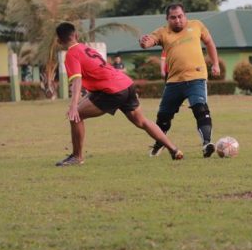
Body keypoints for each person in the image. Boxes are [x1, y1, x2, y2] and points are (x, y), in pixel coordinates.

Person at [54, 22, 183, 165]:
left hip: (112, 91)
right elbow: (97, 82)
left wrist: (73, 107)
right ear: (76, 35)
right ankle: (174, 149)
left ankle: (77, 157)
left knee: (75, 117)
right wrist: (78, 104)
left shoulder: (71, 54)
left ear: (59, 41)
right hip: (126, 84)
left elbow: (77, 81)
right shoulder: (86, 49)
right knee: (142, 121)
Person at [139, 3, 221, 158]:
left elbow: (209, 42)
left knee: (200, 108)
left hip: (196, 77)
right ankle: (160, 142)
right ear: (167, 19)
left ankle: (207, 144)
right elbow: (149, 41)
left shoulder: (196, 25)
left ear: (185, 15)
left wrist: (215, 63)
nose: (177, 20)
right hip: (174, 82)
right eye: (173, 17)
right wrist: (144, 43)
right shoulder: (163, 32)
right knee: (163, 116)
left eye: (180, 16)